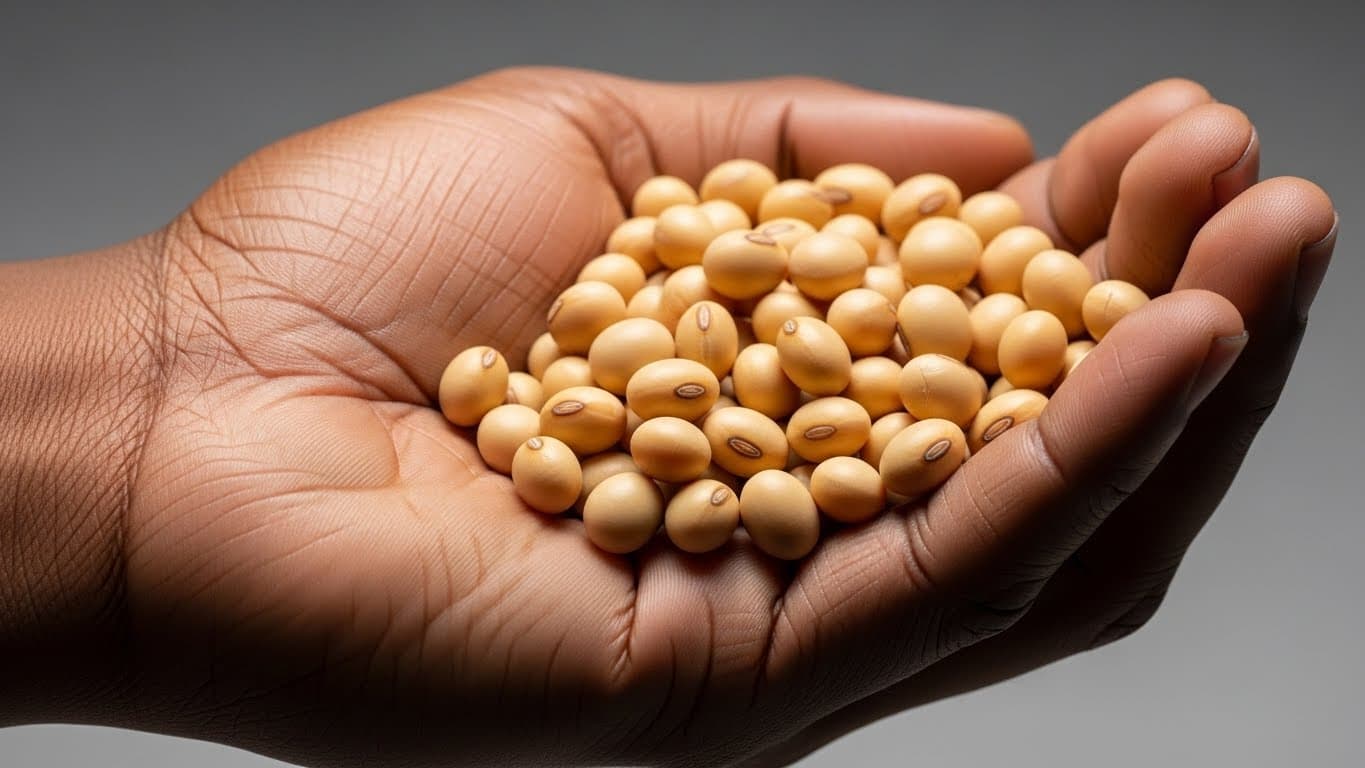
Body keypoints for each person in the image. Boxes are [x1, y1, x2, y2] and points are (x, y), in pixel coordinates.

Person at [0, 67, 1337, 767]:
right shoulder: (656, 330)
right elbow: (716, 416)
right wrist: (148, 419)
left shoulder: (791, 291)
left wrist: (148, 420)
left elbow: (752, 416)